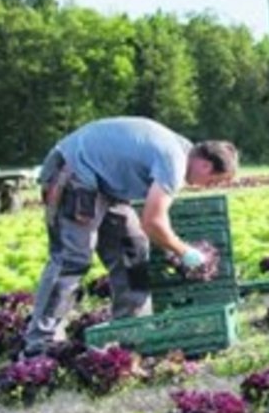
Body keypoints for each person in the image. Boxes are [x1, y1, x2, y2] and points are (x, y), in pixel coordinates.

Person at [20, 117, 238, 357]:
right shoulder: (174, 160)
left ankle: (130, 329)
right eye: (213, 181)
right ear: (206, 166)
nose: (207, 187)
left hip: (105, 186)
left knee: (132, 249)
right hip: (72, 172)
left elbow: (151, 224)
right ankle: (40, 343)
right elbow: (153, 221)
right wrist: (185, 252)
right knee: (72, 259)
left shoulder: (181, 150)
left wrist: (171, 246)